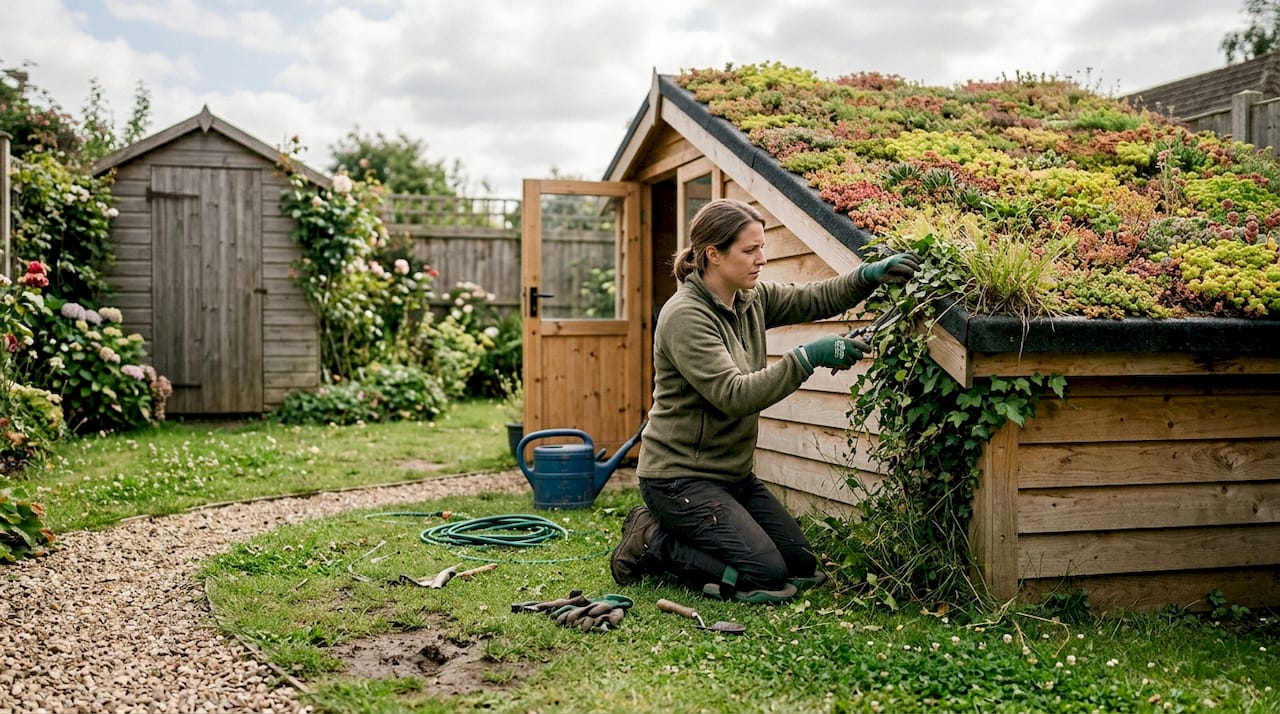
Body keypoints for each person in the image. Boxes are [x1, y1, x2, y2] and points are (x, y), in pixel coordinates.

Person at [609, 198, 918, 603]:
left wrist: (868, 275)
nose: (762, 259)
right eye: (750, 250)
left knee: (801, 563)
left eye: (763, 247)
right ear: (713, 255)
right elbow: (734, 395)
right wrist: (808, 357)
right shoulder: (685, 316)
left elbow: (816, 298)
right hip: (679, 477)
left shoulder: (749, 298)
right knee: (765, 574)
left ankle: (688, 534)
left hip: (732, 476)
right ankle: (652, 538)